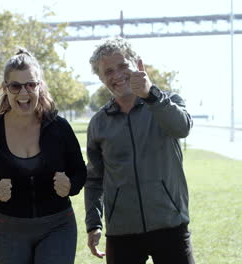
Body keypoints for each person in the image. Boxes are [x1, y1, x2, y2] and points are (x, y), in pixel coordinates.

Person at [84, 37, 195, 264]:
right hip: (122, 233)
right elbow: (94, 179)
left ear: (137, 63)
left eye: (123, 66)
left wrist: (151, 95)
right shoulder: (98, 123)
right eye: (108, 71)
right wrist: (93, 223)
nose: (117, 75)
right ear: (101, 78)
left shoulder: (167, 101)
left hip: (170, 224)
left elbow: (182, 128)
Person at [0, 48, 86, 264]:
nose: (24, 93)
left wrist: (71, 185)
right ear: (5, 88)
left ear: (39, 86)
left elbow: (80, 171)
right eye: (15, 86)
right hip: (8, 229)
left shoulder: (59, 127)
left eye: (31, 85)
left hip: (57, 226)